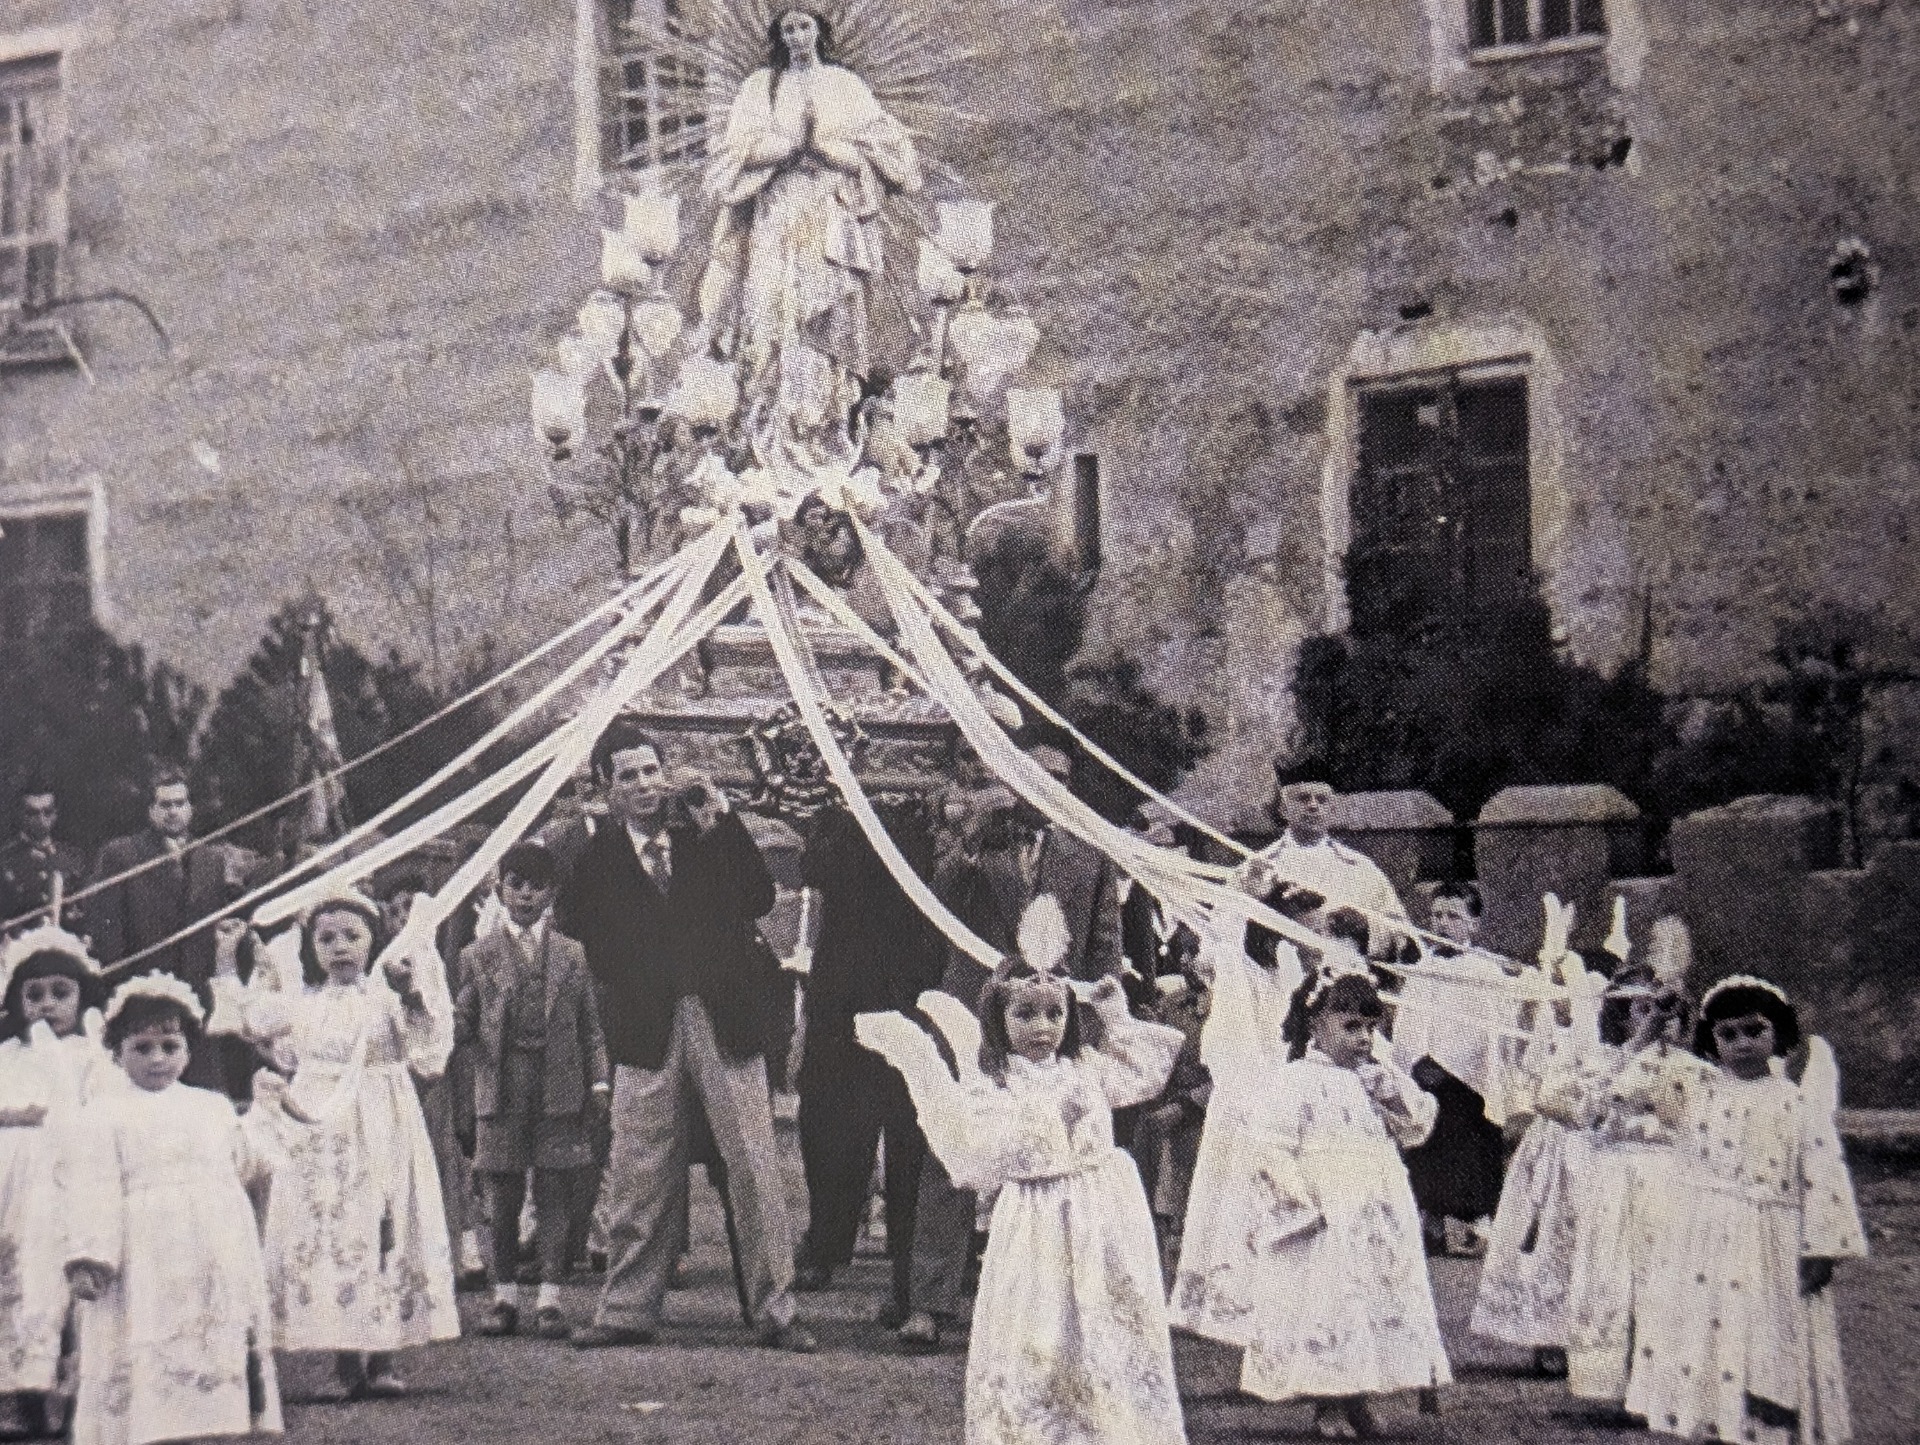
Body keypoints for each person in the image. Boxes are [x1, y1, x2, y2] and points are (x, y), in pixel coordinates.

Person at [856, 896, 1188, 1445]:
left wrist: (1115, 1014)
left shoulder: (1085, 1065)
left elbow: (1145, 1075)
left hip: (1103, 1215)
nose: (1043, 1027)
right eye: (1025, 1014)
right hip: (1038, 1219)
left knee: (1107, 1321)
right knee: (1039, 1328)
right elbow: (983, 1152)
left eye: (1055, 1013)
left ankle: (1114, 1427)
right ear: (999, 1018)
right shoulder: (996, 1080)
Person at [556, 718, 814, 1352]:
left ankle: (775, 1311)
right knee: (640, 1165)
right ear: (604, 787)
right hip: (646, 1022)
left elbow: (757, 898)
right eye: (628, 776)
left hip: (724, 1014)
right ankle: (625, 1310)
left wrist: (724, 825)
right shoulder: (594, 858)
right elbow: (588, 936)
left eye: (651, 771)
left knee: (753, 1162)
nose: (644, 785)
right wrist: (654, 968)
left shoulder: (706, 835)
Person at [895, 742, 1122, 1351]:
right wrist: (969, 842)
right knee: (955, 1147)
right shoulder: (978, 838)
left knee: (1055, 1159)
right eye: (1032, 774)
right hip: (973, 1009)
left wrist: (1094, 1024)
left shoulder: (1089, 851)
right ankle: (930, 1301)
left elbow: (1104, 944)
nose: (1044, 786)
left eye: (1058, 778)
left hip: (1055, 1021)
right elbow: (933, 905)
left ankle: (1046, 1307)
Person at [208, 893, 459, 1398]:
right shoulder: (303, 1003)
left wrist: (410, 993)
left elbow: (430, 1048)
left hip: (383, 1125)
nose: (340, 947)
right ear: (311, 947)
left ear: (373, 941)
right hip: (319, 1135)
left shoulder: (386, 998)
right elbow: (244, 1020)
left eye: (352, 936)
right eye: (326, 939)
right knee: (335, 1229)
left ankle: (384, 1359)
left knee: (384, 1223)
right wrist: (225, 954)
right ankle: (344, 1361)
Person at [1622, 976, 1864, 1445]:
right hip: (1706, 1237)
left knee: (1770, 1336)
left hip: (1772, 1240)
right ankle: (1717, 1424)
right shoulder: (1698, 1091)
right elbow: (1628, 1090)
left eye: (1754, 1031)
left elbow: (1823, 1173)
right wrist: (1651, 1031)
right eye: (1727, 1035)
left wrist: (1823, 1249)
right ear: (1711, 1040)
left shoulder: (1797, 1103)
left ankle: (1769, 1430)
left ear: (1779, 1033)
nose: (1742, 1045)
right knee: (1711, 1331)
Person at [1228, 958, 1448, 1439]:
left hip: (1377, 1201)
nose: (1364, 1039)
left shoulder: (1373, 1077)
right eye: (1351, 1027)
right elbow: (1271, 1145)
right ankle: (1328, 1398)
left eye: (1371, 1028)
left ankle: (1360, 1393)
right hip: (1328, 1205)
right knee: (1330, 1299)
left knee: (1373, 1293)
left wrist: (1387, 1089)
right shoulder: (1295, 1080)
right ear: (1316, 1025)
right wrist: (1300, 1198)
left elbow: (1416, 1128)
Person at [65, 972, 281, 1445]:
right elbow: (93, 1186)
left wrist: (265, 1109)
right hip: (144, 1248)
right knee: (149, 1329)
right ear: (117, 1053)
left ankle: (215, 1417)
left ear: (188, 1049)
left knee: (212, 1329)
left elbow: (248, 1164)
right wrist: (89, 1255)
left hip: (212, 1244)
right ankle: (149, 1423)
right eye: (142, 1048)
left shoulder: (212, 1106)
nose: (158, 1059)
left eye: (170, 1045)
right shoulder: (105, 1112)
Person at [699, 8, 922, 454]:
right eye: (788, 29)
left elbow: (893, 157)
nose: (798, 36)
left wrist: (824, 149)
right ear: (779, 37)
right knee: (774, 313)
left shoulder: (846, 86)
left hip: (830, 216)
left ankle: (828, 425)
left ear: (819, 30)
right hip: (777, 215)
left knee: (830, 315)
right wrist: (784, 149)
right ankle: (772, 431)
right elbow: (728, 158)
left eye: (805, 25)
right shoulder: (759, 88)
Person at [790, 803, 939, 1322]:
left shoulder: (933, 818)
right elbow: (814, 869)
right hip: (842, 998)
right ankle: (827, 1240)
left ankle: (908, 1265)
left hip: (913, 991)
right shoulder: (836, 816)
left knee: (910, 1132)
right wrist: (858, 810)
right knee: (828, 1125)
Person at [456, 841, 610, 1341]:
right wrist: (423, 1003)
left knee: (555, 1192)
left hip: (558, 1086)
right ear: (499, 890)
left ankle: (549, 1298)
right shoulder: (476, 956)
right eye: (516, 884)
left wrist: (599, 1080)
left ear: (553, 893)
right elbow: (462, 1021)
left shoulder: (571, 953)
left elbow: (590, 1026)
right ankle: (504, 1297)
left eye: (537, 886)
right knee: (501, 1196)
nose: (525, 895)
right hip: (501, 1088)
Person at [1469, 907, 1605, 1378]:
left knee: (1584, 1238)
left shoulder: (1598, 1041)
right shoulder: (1545, 1036)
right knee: (1539, 1236)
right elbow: (1527, 1082)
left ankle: (1588, 1333)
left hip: (1589, 1148)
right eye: (1556, 993)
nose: (1562, 1002)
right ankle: (1544, 1334)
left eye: (1570, 993)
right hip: (1548, 1149)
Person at [1560, 965, 1690, 1409]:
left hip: (1671, 1176)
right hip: (1615, 1175)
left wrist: (1664, 1104)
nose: (1656, 1020)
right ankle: (1615, 1384)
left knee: (1665, 1276)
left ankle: (1663, 1384)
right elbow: (1573, 1109)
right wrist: (1635, 1049)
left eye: (1665, 1013)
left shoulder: (1696, 1068)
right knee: (1615, 1274)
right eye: (1641, 1011)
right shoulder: (1605, 1061)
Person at [0, 925, 111, 1438]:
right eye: (35, 994)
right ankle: (24, 1392)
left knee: (71, 1277)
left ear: (82, 997)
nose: (47, 1005)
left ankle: (77, 1391)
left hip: (71, 1176)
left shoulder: (92, 1056)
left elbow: (105, 1109)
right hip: (14, 1179)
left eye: (60, 993)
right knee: (21, 1281)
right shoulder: (9, 1056)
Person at [89, 768, 249, 1094]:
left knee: (203, 1092)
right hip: (145, 993)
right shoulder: (122, 855)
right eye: (165, 804)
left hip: (197, 999)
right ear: (150, 810)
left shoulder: (210, 858)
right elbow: (109, 932)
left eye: (180, 803)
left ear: (190, 807)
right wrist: (122, 993)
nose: (173, 811)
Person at [1390, 882, 1513, 1256]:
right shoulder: (1422, 968)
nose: (1442, 924)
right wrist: (1416, 1060)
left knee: (1470, 1146)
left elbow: (1489, 1028)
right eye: (1436, 916)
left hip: (1468, 1081)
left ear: (1474, 924)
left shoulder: (1486, 972)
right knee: (1426, 1146)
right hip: (1425, 1076)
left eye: (1454, 916)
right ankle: (1431, 1222)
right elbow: (1407, 1022)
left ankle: (1477, 1224)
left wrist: (1452, 1064)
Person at [1252, 761, 1409, 958]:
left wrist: (1364, 928)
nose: (1313, 806)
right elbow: (1223, 932)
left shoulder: (1361, 869)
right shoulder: (1256, 868)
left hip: (1347, 980)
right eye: (1303, 798)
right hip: (1277, 981)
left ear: (1332, 809)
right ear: (1283, 809)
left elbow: (1404, 937)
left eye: (1322, 799)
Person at [0, 783, 89, 937]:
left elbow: (86, 906)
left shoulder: (72, 856)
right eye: (32, 813)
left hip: (69, 945)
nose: (41, 819)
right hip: (20, 948)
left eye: (47, 812)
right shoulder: (5, 859)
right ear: (20, 814)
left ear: (55, 814)